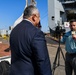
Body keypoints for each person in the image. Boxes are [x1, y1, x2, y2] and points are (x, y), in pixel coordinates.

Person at [9, 5, 52, 75]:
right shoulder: (36, 33)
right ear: (34, 17)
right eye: (39, 17)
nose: (39, 19)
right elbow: (42, 60)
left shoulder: (14, 31)